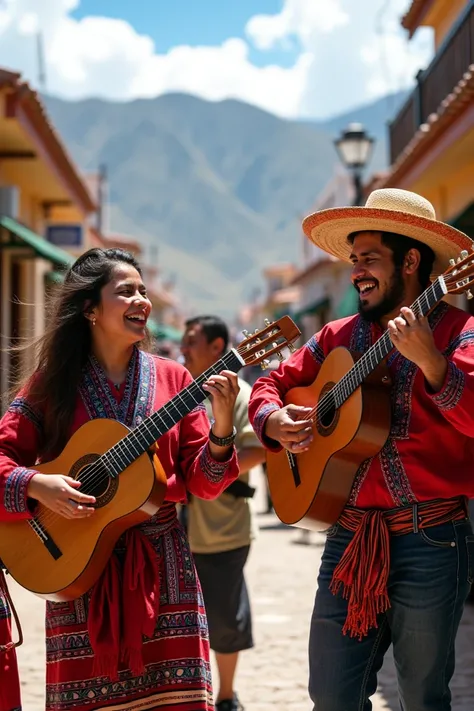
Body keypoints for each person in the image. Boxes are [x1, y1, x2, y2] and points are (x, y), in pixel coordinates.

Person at [248, 188, 474, 711]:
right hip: (348, 540)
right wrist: (272, 419)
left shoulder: (460, 336)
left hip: (432, 542)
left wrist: (433, 364)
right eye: (354, 261)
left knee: (421, 698)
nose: (356, 272)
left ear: (412, 260)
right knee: (331, 695)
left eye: (369, 259)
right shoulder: (334, 337)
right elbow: (270, 385)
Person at [0, 248, 240, 711]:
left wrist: (223, 426)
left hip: (164, 574)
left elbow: (204, 483)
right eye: (126, 291)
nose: (142, 300)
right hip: (76, 571)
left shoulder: (174, 379)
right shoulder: (52, 384)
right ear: (90, 308)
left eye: (144, 291)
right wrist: (37, 485)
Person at [181, 316, 266, 711]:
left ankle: (227, 695)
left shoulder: (242, 394)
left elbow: (257, 450)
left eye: (192, 340)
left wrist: (209, 472)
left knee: (224, 616)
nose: (183, 347)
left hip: (222, 526)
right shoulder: (175, 392)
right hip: (174, 526)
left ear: (218, 348)